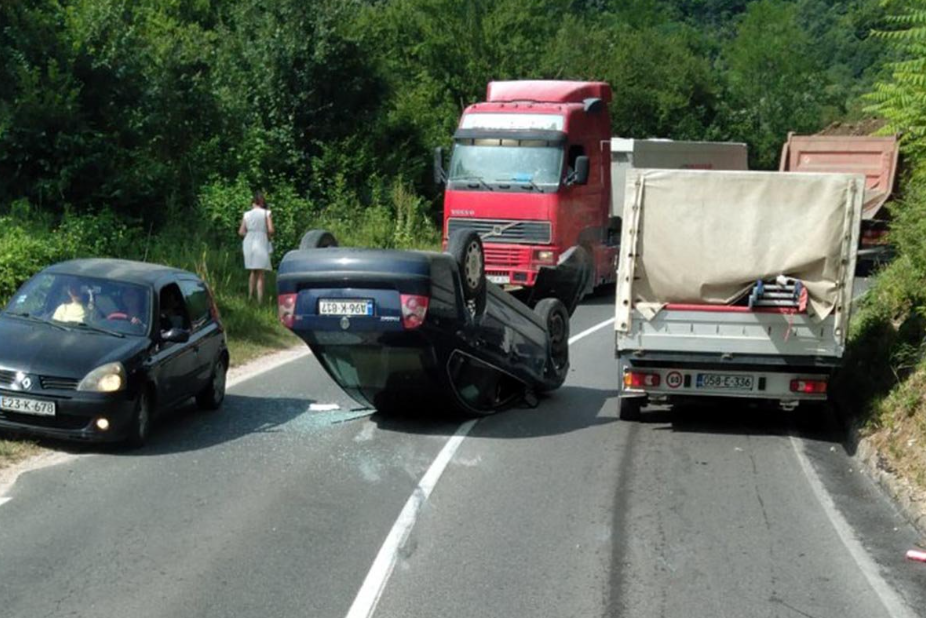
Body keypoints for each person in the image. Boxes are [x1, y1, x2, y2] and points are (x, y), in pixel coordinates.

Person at [239, 191, 274, 303]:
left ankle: (250, 296)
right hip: (261, 241)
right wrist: (264, 234)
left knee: (253, 271)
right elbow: (271, 230)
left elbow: (241, 231)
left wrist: (250, 235)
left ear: (253, 202)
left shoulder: (247, 214)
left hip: (249, 241)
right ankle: (259, 300)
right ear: (262, 202)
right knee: (260, 273)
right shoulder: (266, 213)